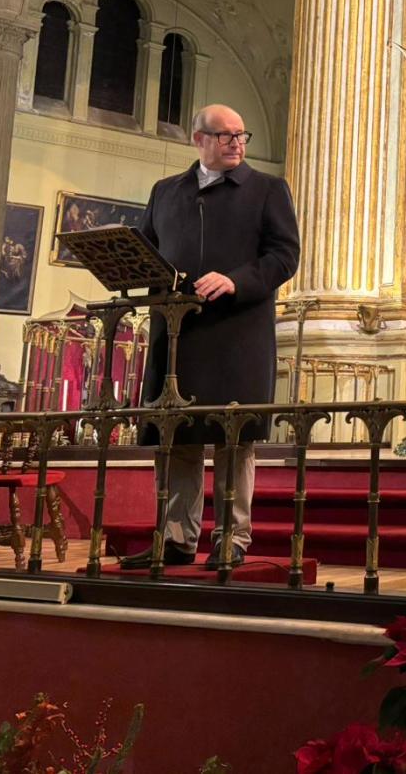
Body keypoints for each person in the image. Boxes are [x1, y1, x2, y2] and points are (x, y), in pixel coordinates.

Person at [119, 105, 300, 570]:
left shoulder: (266, 189)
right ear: (199, 139)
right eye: (226, 136)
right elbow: (147, 250)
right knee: (177, 436)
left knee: (232, 437)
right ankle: (177, 537)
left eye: (242, 135)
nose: (238, 143)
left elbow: (284, 255)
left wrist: (237, 280)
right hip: (177, 332)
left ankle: (231, 539)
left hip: (235, 331)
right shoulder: (166, 192)